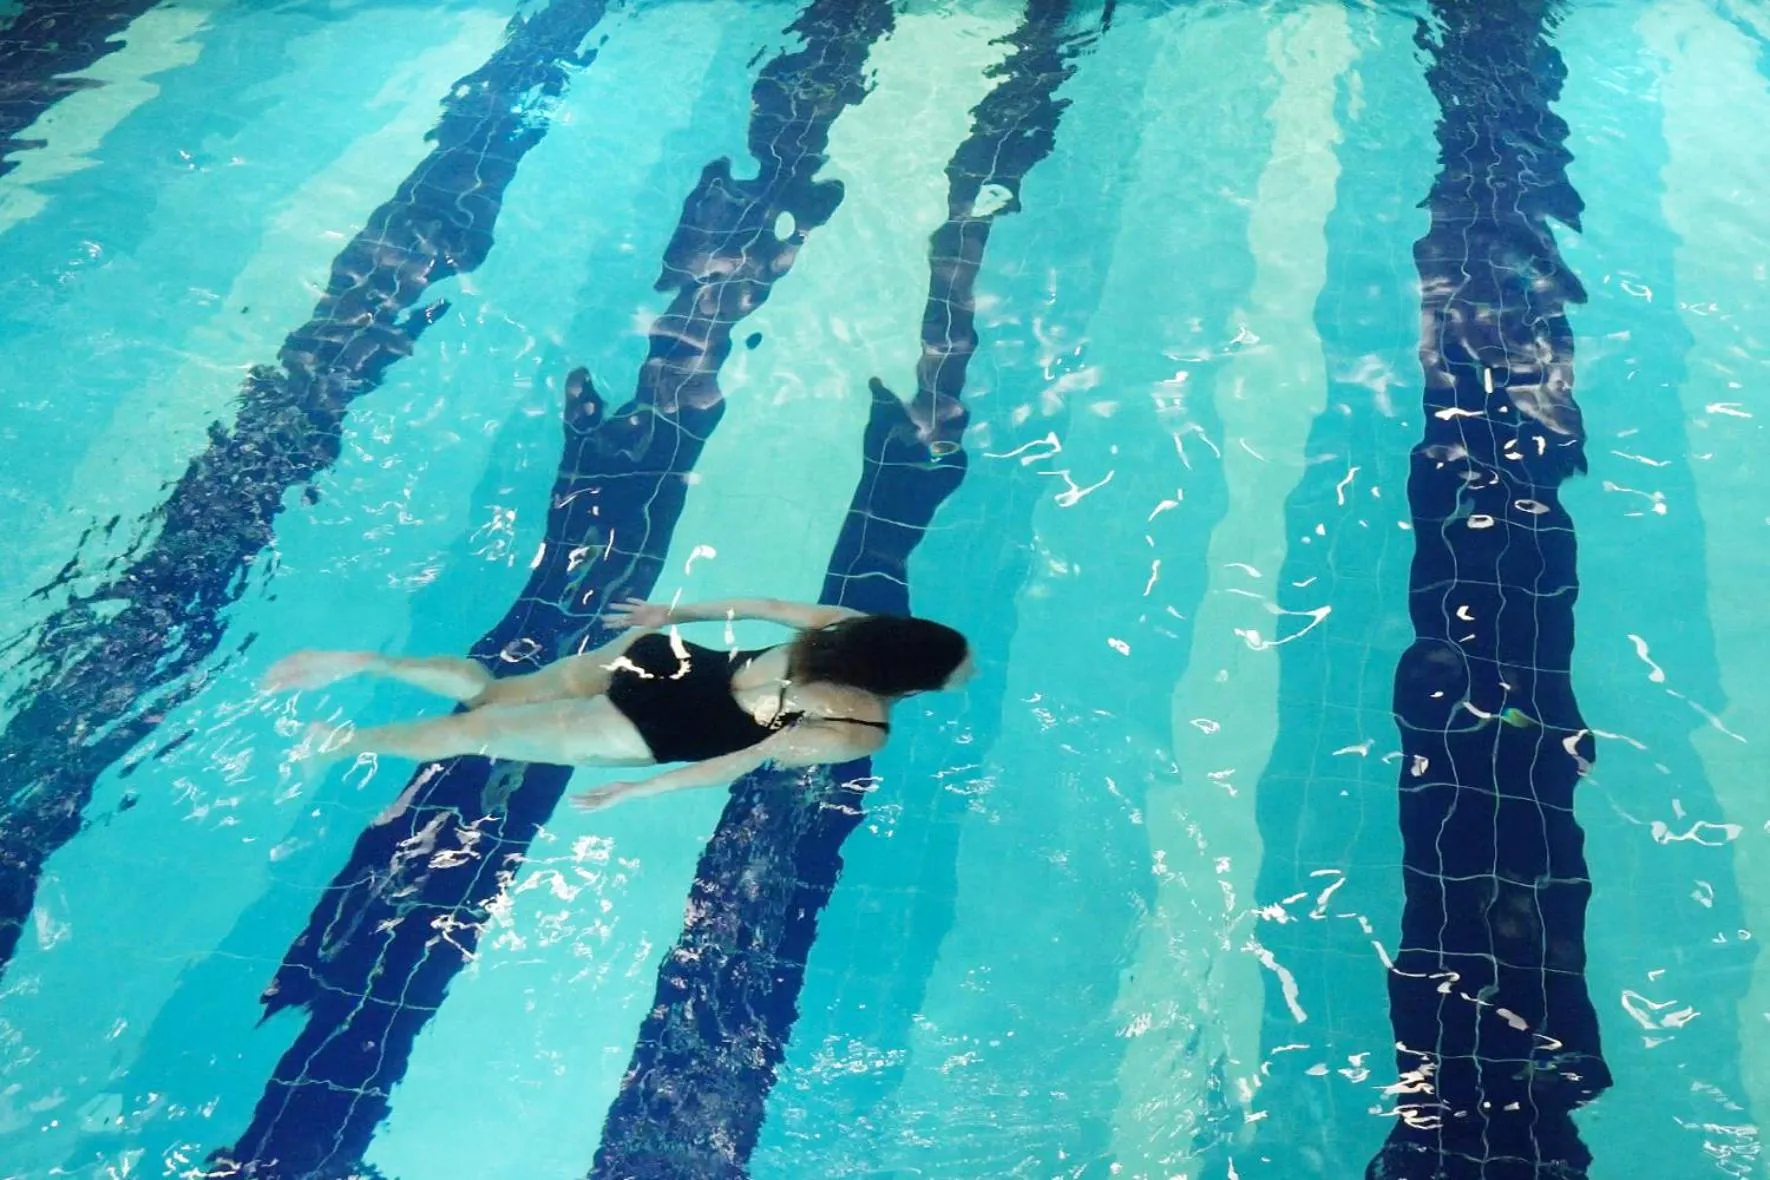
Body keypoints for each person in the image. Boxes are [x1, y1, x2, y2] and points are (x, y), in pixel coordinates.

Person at [261, 597, 973, 811]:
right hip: (657, 725)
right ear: (910, 682)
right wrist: (638, 789)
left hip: (663, 659)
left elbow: (761, 603)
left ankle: (375, 662)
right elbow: (741, 758)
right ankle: (340, 742)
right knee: (477, 734)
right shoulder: (862, 726)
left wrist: (670, 613)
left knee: (490, 691)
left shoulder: (848, 622)